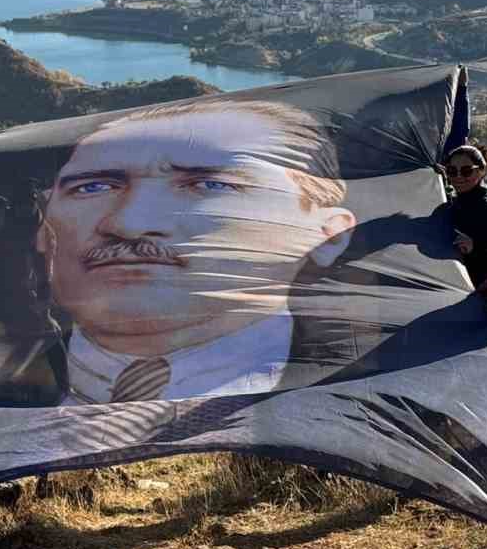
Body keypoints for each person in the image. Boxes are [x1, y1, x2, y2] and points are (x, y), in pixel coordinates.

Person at [26, 96, 357, 402]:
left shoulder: (355, 388)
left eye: (210, 185)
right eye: (93, 187)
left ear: (327, 237)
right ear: (43, 229)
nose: (128, 223)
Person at [441, 143, 487, 290]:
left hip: (482, 294)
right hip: (460, 285)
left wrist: (475, 248)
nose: (458, 176)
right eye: (452, 171)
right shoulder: (462, 198)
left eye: (466, 171)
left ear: (481, 171)